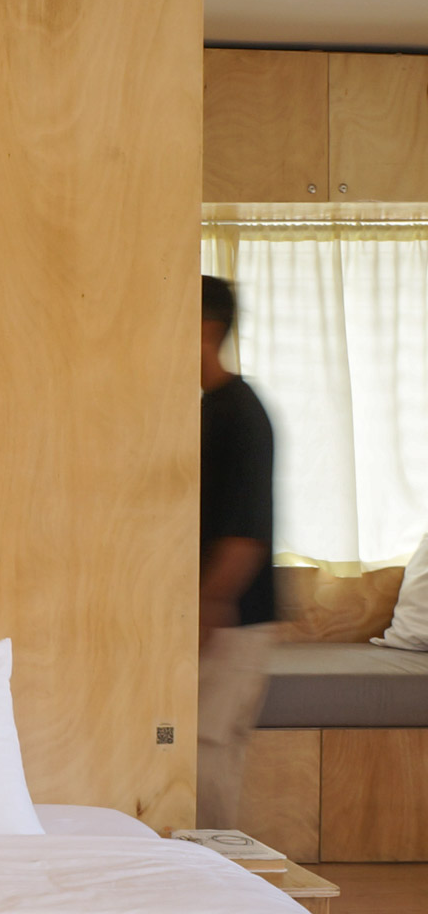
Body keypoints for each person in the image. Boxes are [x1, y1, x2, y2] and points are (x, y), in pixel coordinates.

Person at [198, 274, 278, 829]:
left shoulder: (239, 413)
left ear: (206, 329)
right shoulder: (213, 408)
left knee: (207, 754)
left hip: (233, 621)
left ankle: (214, 881)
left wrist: (210, 607)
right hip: (215, 617)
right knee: (196, 750)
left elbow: (245, 533)